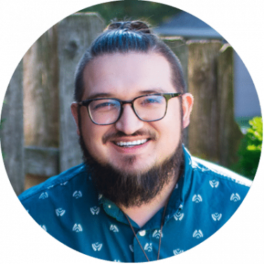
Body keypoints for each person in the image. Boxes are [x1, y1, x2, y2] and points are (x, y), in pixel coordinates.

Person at [18, 20, 253, 263]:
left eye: (150, 100)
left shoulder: (236, 205)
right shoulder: (36, 215)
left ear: (184, 110)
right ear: (78, 119)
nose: (128, 126)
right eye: (105, 105)